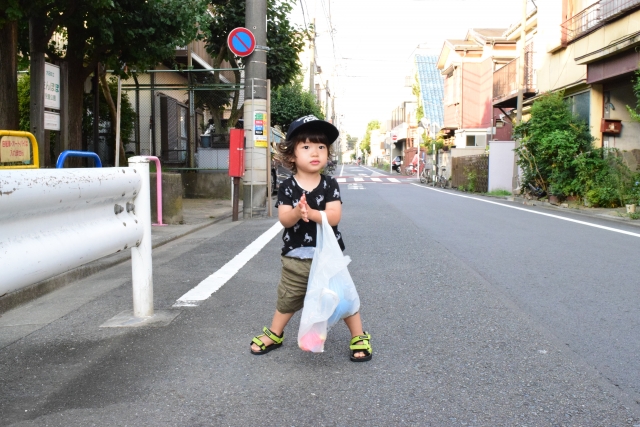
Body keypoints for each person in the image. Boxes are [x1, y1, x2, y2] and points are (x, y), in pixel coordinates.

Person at [250, 114, 372, 362]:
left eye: (321, 147)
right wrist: (297, 212)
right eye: (306, 146)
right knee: (289, 297)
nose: (315, 152)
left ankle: (358, 335)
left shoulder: (329, 184)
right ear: (292, 155)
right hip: (296, 258)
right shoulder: (287, 187)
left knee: (343, 296)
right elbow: (284, 219)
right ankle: (275, 333)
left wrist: (313, 213)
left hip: (328, 256)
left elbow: (334, 216)